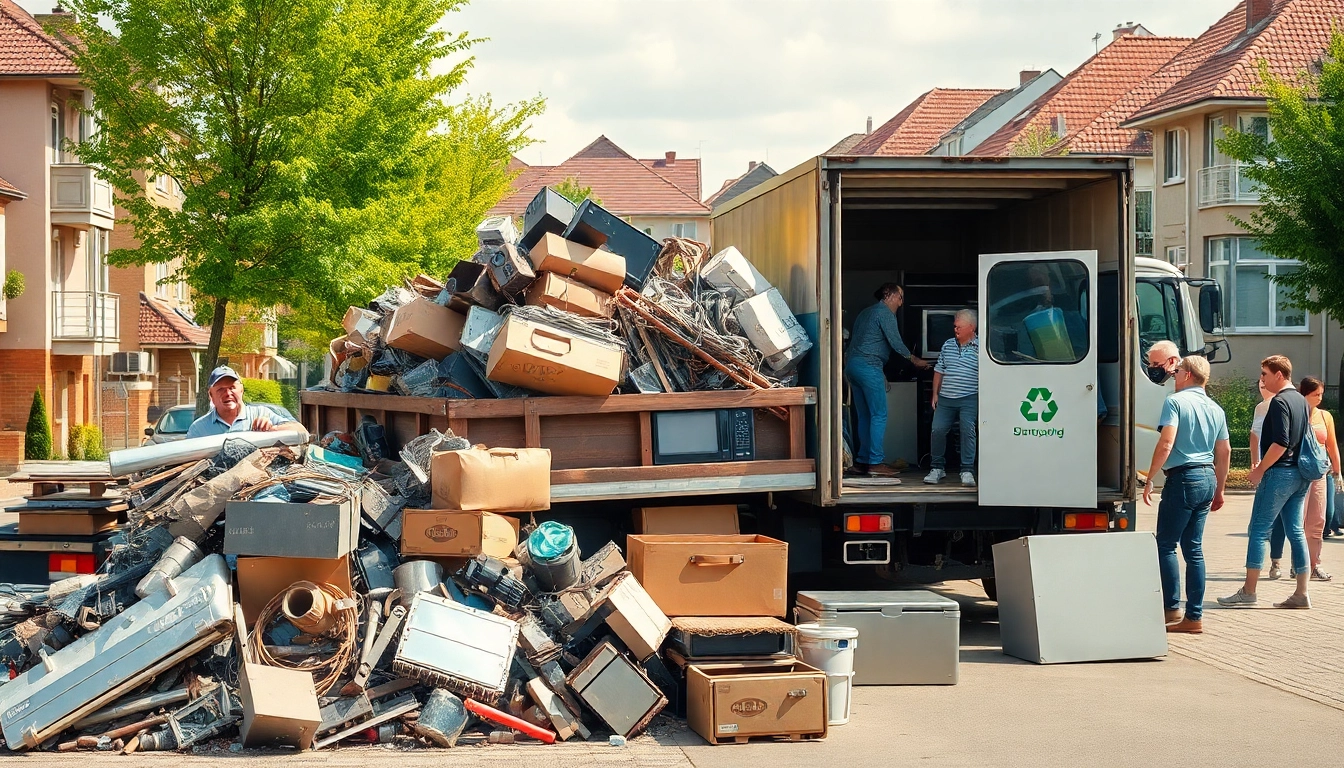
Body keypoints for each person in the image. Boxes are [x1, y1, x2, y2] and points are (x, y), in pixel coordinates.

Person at [1142, 355, 1230, 634]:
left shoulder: (1175, 402)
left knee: (1166, 544)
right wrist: (1220, 488)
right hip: (1207, 477)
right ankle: (1194, 617)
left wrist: (1149, 478)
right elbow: (1225, 452)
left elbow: (1167, 442)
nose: (1174, 375)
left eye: (1177, 371)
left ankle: (1170, 609)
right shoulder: (1216, 408)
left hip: (1183, 478)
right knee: (1194, 549)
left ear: (1188, 375)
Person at [1219, 355, 1312, 610]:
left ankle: (1249, 591)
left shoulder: (1279, 402)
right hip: (1300, 474)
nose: (1261, 379)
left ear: (1279, 375)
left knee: (1259, 530)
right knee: (1296, 531)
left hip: (1278, 473)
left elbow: (1281, 442)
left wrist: (1260, 468)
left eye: (1264, 374)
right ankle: (1302, 592)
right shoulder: (1302, 401)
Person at [845, 284, 930, 477]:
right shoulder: (884, 313)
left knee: (865, 416)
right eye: (900, 297)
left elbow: (860, 341)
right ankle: (875, 462)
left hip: (853, 366)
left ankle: (862, 461)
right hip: (869, 366)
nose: (902, 302)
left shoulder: (865, 313)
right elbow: (895, 341)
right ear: (888, 295)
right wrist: (913, 359)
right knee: (879, 415)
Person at [924, 309, 978, 486]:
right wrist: (935, 394)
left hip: (970, 397)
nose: (955, 330)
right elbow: (939, 370)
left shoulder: (981, 347)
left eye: (959, 327)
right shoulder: (947, 345)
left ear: (971, 327)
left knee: (967, 431)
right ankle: (937, 468)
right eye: (954, 326)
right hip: (946, 398)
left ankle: (967, 470)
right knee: (937, 430)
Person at [186, 366, 308, 439]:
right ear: (210, 395)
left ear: (241, 390)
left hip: (262, 482)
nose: (228, 393)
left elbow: (302, 431)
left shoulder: (262, 413)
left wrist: (272, 429)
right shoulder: (199, 429)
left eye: (232, 388)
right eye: (220, 389)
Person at [1297, 377, 1339, 581]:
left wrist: (1338, 472)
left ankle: (1314, 565)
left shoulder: (1325, 416)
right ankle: (1299, 564)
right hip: (1299, 473)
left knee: (1318, 520)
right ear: (1304, 395)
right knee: (1299, 521)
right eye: (1316, 395)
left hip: (1320, 474)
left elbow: (1332, 445)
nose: (1320, 399)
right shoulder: (1297, 414)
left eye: (1321, 394)